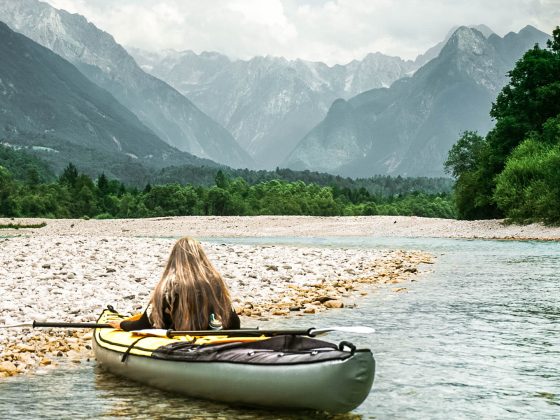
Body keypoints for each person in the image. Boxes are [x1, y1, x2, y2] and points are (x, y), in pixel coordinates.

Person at [108, 236, 240, 331]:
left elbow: (145, 323)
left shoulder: (169, 284)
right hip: (212, 338)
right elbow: (234, 322)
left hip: (179, 340)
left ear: (174, 258)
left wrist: (123, 325)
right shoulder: (214, 281)